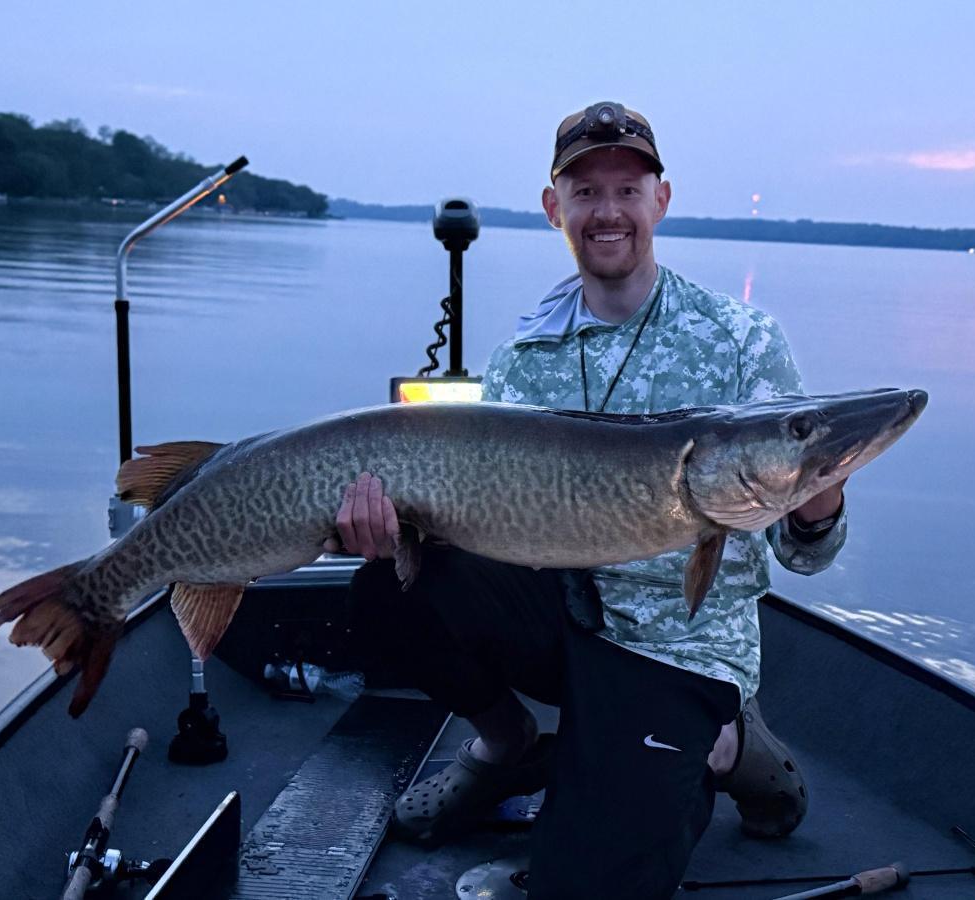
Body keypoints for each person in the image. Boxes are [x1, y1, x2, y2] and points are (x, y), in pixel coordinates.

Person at [330, 102, 848, 899]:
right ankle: (509, 746)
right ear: (555, 209)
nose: (608, 212)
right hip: (565, 620)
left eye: (628, 190)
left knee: (585, 885)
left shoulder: (742, 341)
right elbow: (476, 526)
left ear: (660, 201)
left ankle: (732, 741)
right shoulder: (522, 359)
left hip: (680, 649)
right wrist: (399, 529)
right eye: (585, 191)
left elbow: (802, 557)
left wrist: (819, 502)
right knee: (390, 589)